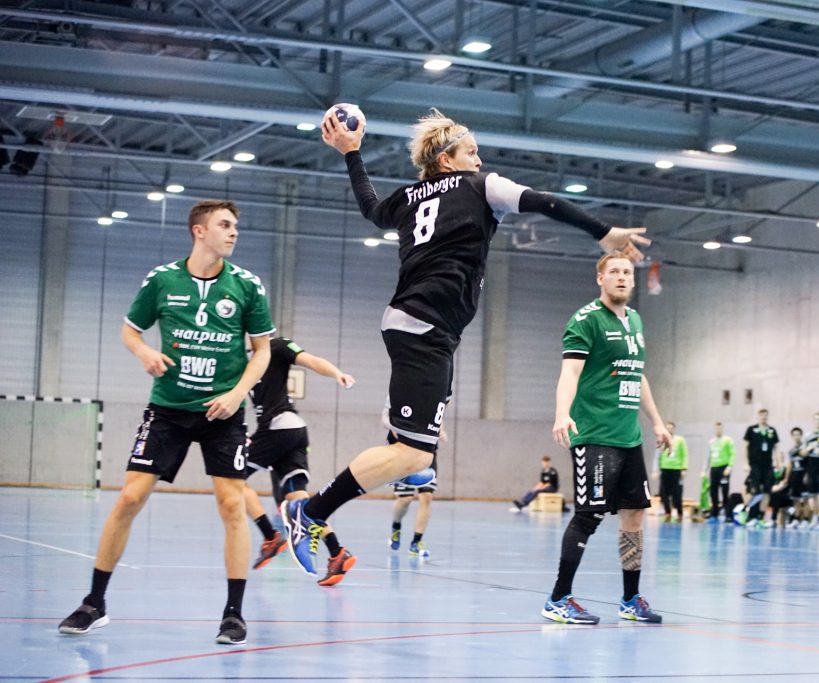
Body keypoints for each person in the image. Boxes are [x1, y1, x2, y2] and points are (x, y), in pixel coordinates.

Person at [280, 107, 651, 576]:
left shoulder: (410, 196)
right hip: (424, 328)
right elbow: (544, 202)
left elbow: (372, 209)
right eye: (471, 152)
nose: (479, 160)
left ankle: (392, 450)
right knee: (415, 453)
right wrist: (605, 232)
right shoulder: (480, 186)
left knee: (417, 451)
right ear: (447, 160)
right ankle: (311, 512)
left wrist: (352, 154)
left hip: (423, 328)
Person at [58, 200, 275, 645]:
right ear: (199, 231)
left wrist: (237, 395)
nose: (234, 232)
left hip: (223, 414)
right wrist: (144, 352)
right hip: (168, 410)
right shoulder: (162, 280)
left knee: (232, 505)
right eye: (225, 225)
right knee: (129, 498)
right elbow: (129, 331)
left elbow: (263, 351)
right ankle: (94, 603)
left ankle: (233, 614)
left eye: (235, 226)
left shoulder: (247, 286)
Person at [542, 252, 671, 625]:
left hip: (629, 437)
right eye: (614, 271)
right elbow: (570, 373)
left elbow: (637, 375)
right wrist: (562, 412)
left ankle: (630, 599)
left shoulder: (635, 320)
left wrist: (657, 423)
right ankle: (558, 598)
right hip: (595, 434)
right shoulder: (586, 320)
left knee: (635, 515)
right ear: (600, 278)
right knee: (589, 516)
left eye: (627, 272)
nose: (622, 277)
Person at [245, 337, 358, 586]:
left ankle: (270, 536)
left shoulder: (276, 346)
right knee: (300, 501)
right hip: (293, 430)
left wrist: (337, 373)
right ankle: (337, 552)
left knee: (231, 479)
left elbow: (312, 361)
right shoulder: (241, 358)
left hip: (279, 427)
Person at [389, 454, 438, 557]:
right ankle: (396, 526)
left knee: (426, 496)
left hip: (427, 455)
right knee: (405, 499)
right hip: (405, 457)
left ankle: (416, 542)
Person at [741, 409, 780, 528]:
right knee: (754, 491)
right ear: (758, 416)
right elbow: (745, 446)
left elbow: (776, 448)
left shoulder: (772, 431)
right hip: (755, 465)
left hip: (768, 466)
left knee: (767, 492)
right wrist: (745, 463)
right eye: (762, 415)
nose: (764, 417)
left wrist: (778, 462)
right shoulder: (751, 429)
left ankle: (760, 518)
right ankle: (747, 513)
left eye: (766, 415)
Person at [799, 412, 819, 529]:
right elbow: (802, 453)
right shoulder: (808, 436)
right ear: (813, 421)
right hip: (811, 468)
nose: (818, 422)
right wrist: (809, 448)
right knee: (814, 495)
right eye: (816, 419)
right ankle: (816, 519)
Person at [656, 422, 688, 522]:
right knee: (664, 493)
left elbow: (685, 454)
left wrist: (684, 468)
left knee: (677, 492)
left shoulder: (680, 440)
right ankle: (667, 512)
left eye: (671, 428)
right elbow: (658, 455)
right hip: (665, 469)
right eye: (668, 428)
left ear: (674, 429)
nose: (669, 430)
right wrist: (657, 470)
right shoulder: (662, 440)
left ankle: (679, 513)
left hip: (676, 469)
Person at [706, 422, 735, 523]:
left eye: (720, 428)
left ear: (722, 429)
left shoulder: (728, 440)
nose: (718, 430)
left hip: (724, 469)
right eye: (716, 428)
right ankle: (714, 514)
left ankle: (728, 515)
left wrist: (729, 467)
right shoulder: (711, 441)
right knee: (713, 492)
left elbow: (732, 454)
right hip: (714, 469)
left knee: (725, 492)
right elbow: (708, 457)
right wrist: (704, 470)